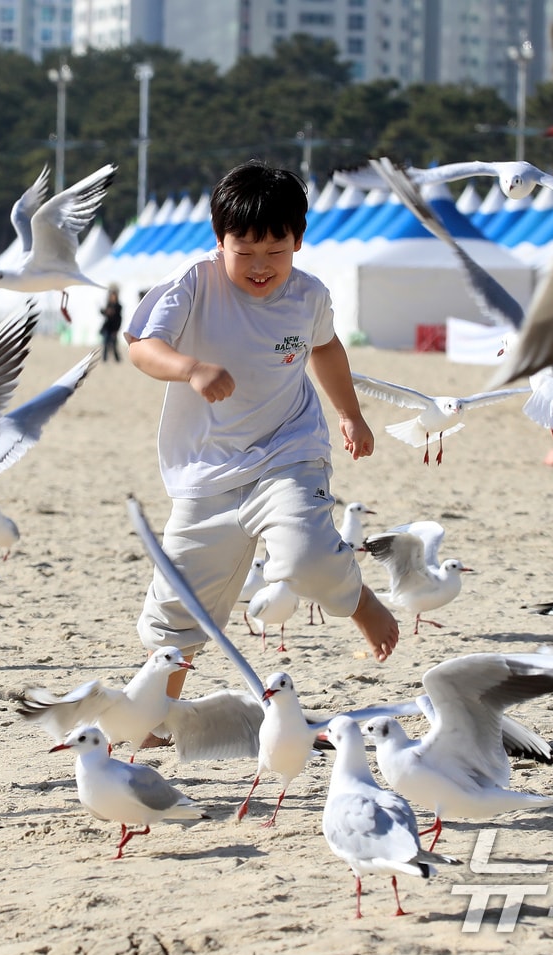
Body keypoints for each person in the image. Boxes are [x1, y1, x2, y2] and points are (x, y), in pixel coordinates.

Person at [125, 160, 400, 711]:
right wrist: (190, 369)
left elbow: (325, 348)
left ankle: (359, 599)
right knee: (179, 603)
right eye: (243, 251)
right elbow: (140, 344)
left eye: (274, 252)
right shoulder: (192, 285)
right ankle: (154, 713)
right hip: (206, 470)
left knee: (306, 562)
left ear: (298, 241)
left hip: (289, 452)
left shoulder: (308, 295)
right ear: (218, 239)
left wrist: (349, 414)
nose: (259, 266)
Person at [99, 284, 123, 362]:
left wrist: (117, 329)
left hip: (114, 328)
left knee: (114, 345)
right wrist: (104, 311)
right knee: (105, 344)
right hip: (107, 328)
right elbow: (105, 314)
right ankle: (105, 359)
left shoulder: (118, 306)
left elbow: (118, 318)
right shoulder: (108, 304)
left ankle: (117, 359)